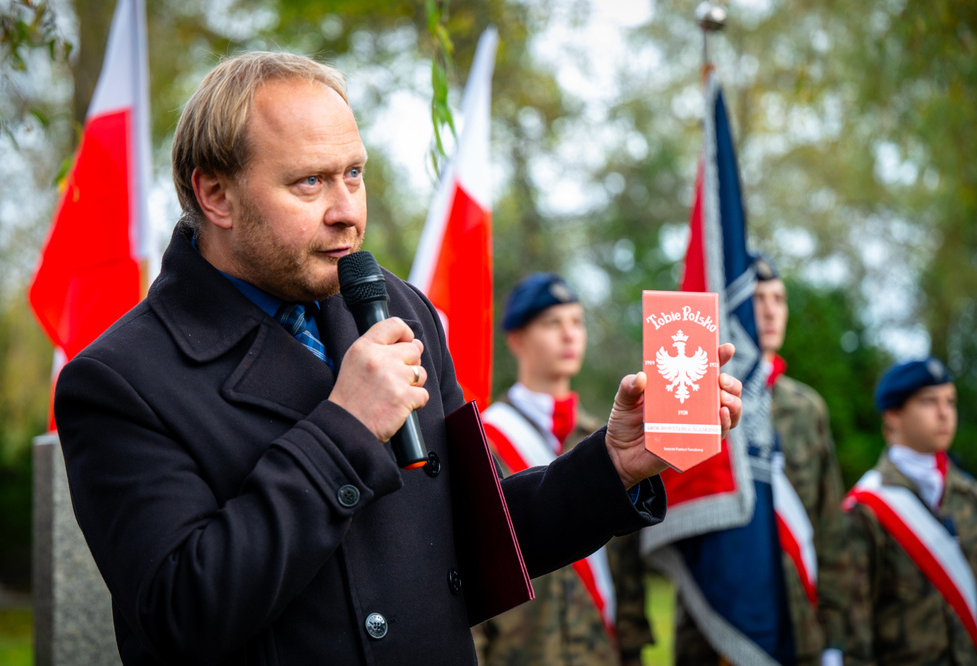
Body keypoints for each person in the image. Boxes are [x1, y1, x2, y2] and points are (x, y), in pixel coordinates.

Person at [53, 51, 743, 666]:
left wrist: (613, 465)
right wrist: (345, 428)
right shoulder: (118, 381)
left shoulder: (395, 307)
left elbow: (472, 539)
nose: (346, 211)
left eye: (353, 174)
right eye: (309, 183)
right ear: (215, 195)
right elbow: (182, 614)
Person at [674, 254, 847, 665]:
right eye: (757, 298)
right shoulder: (697, 403)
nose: (770, 311)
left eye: (779, 299)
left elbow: (830, 527)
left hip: (798, 623)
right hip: (714, 627)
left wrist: (838, 639)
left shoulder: (807, 408)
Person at [472, 273, 653, 666]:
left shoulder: (607, 440)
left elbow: (626, 566)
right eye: (552, 323)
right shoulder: (483, 441)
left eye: (577, 322)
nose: (569, 335)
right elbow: (471, 564)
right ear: (517, 339)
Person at [844, 357, 977, 665]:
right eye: (929, 402)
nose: (944, 413)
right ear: (893, 415)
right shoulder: (866, 508)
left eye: (950, 402)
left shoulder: (970, 495)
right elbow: (854, 628)